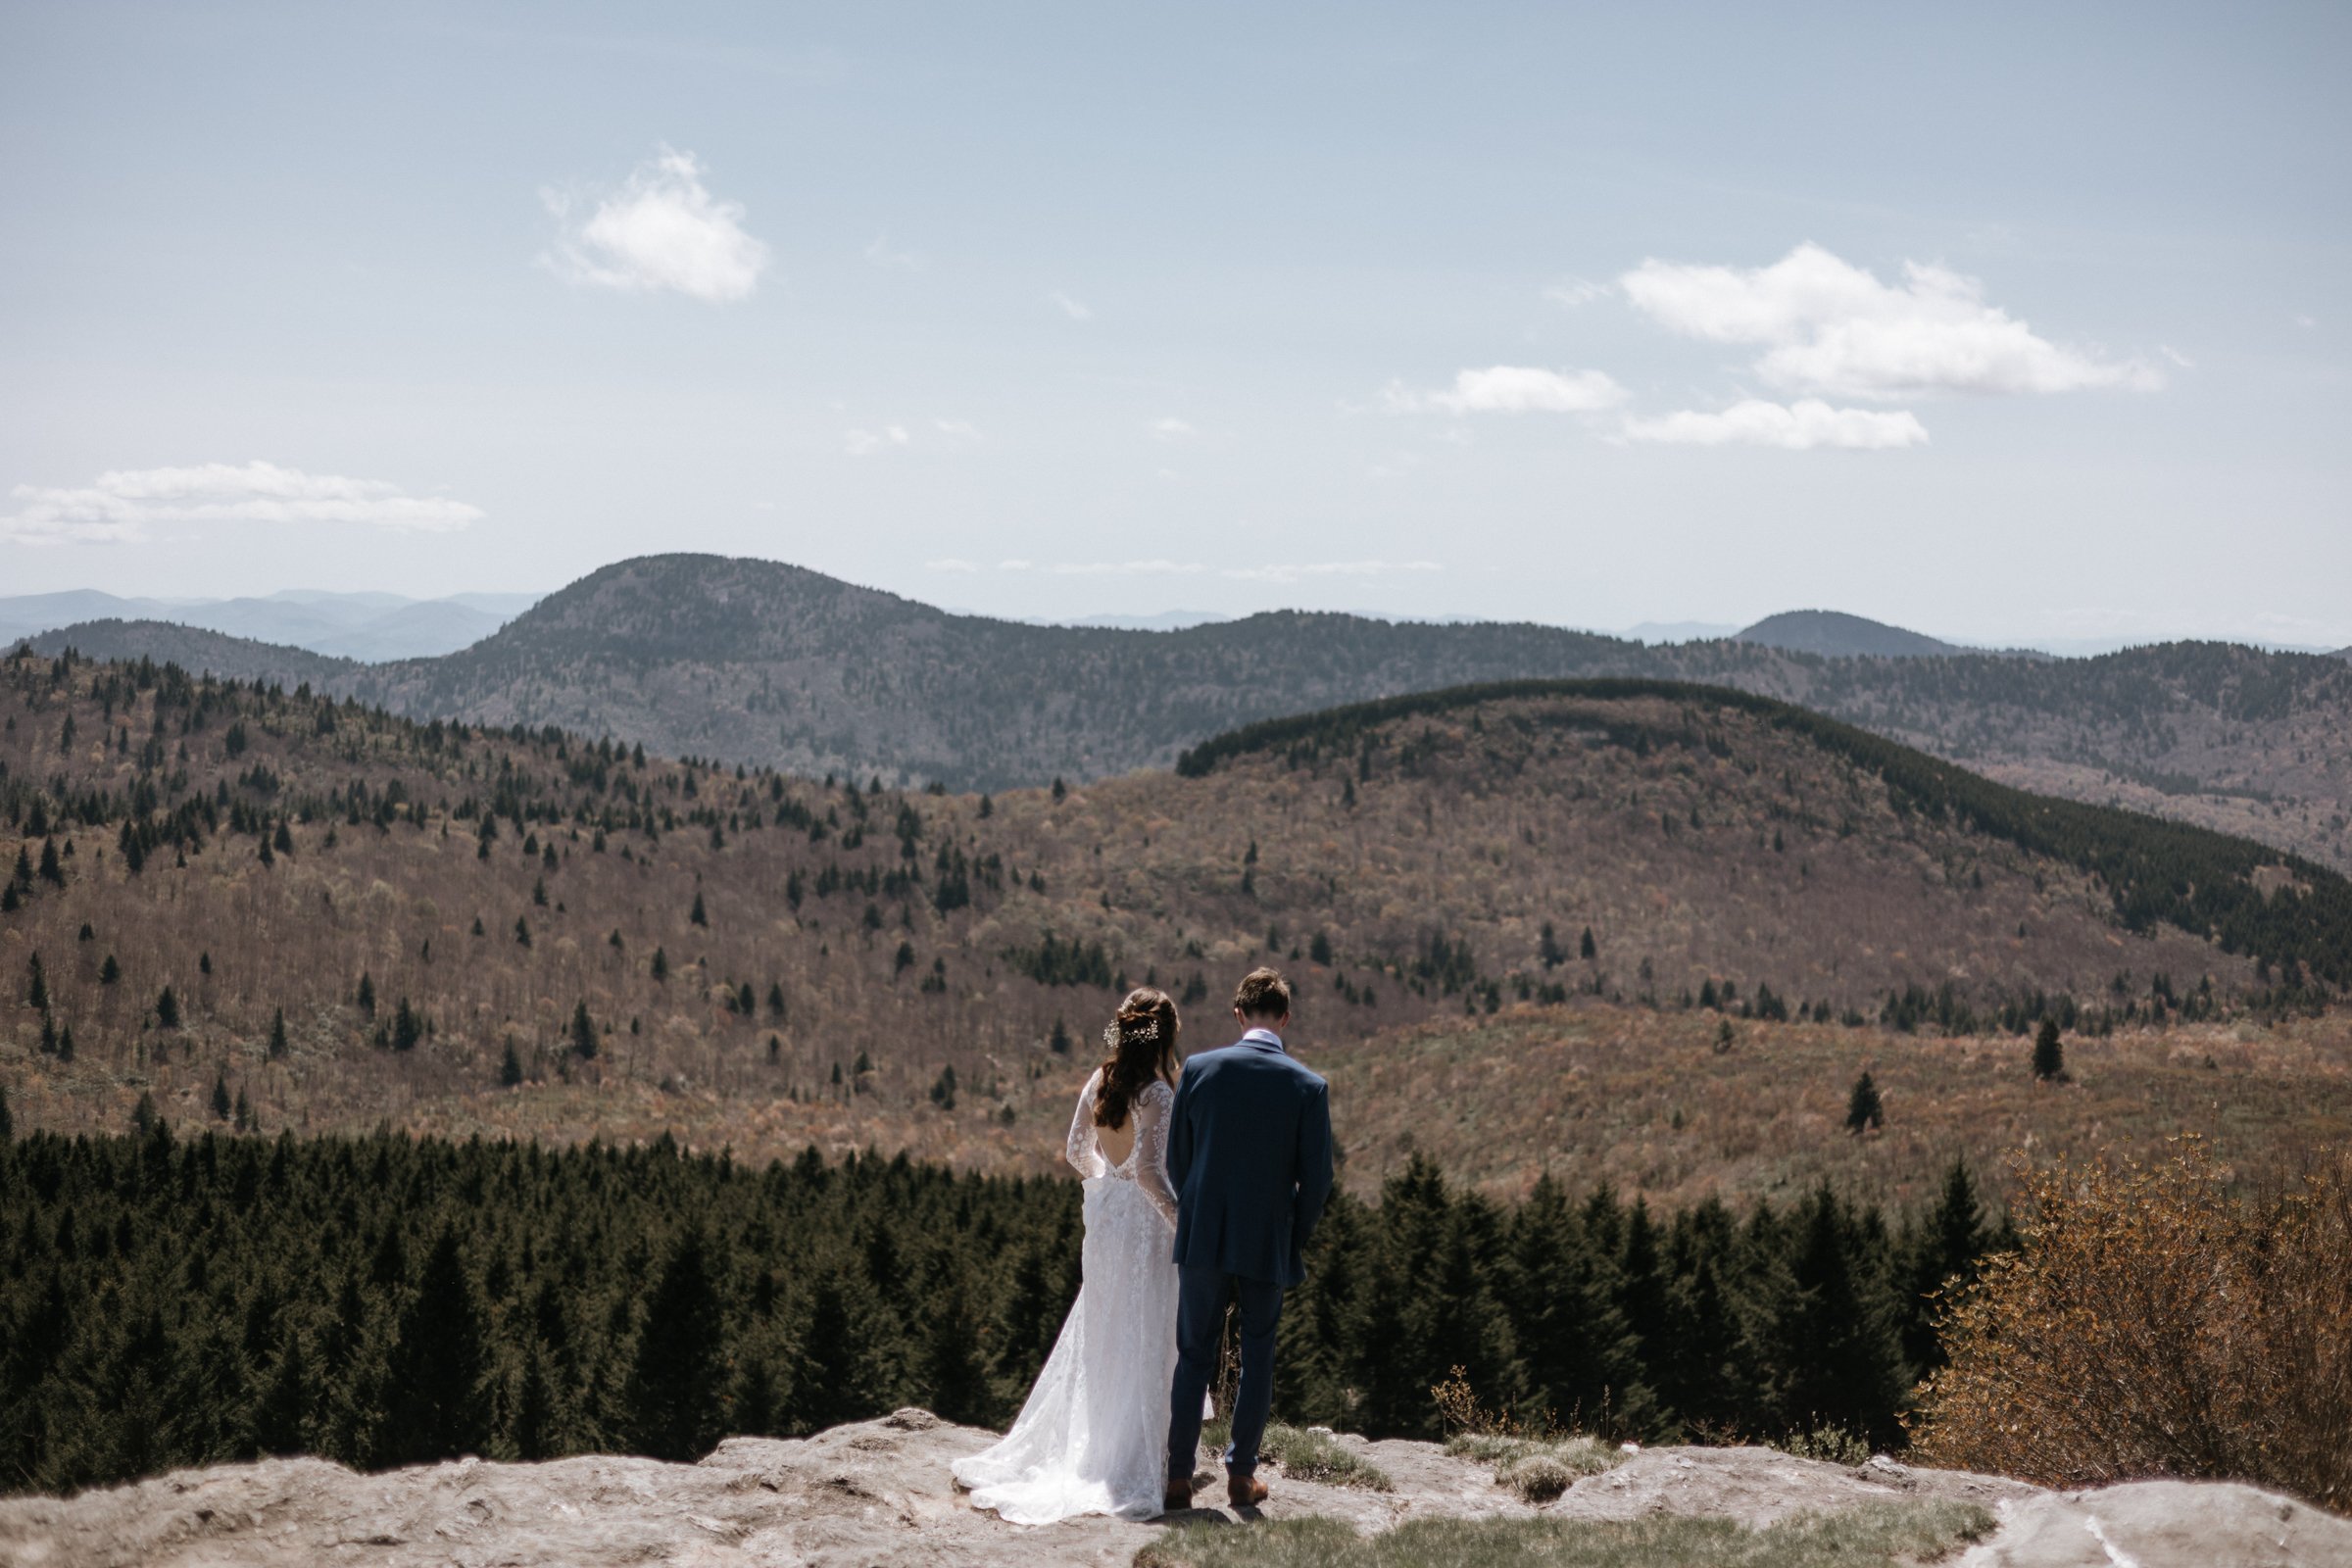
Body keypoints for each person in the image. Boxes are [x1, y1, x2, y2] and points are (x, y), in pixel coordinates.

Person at [952, 988, 1186, 1522]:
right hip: (1147, 1228)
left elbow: (1077, 1152)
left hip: (1107, 1223)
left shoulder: (1100, 1081)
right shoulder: (1156, 1094)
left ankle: (1100, 1441)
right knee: (1147, 1327)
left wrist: (1109, 1182)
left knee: (1106, 1330)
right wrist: (1182, 1222)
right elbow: (1151, 1173)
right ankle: (1137, 1453)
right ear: (1165, 1037)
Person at [1162, 967, 1334, 1512]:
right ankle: (1241, 1476)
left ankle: (1177, 1479)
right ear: (1285, 1018)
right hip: (1266, 1238)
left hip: (1205, 1231)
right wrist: (1292, 1233)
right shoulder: (1308, 1086)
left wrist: (1196, 1208)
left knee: (1193, 1355)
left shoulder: (1199, 1069)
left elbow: (1176, 1160)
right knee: (1258, 1356)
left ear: (1239, 1015)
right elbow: (1318, 1180)